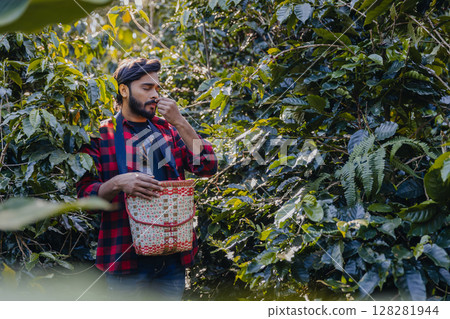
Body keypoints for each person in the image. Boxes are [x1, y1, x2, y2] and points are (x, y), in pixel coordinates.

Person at [76, 58, 217, 300]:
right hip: (125, 262)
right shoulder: (100, 136)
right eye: (146, 88)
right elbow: (84, 197)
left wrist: (181, 122)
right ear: (123, 89)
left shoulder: (168, 130)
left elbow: (207, 165)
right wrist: (118, 183)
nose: (154, 94)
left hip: (172, 260)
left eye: (157, 89)